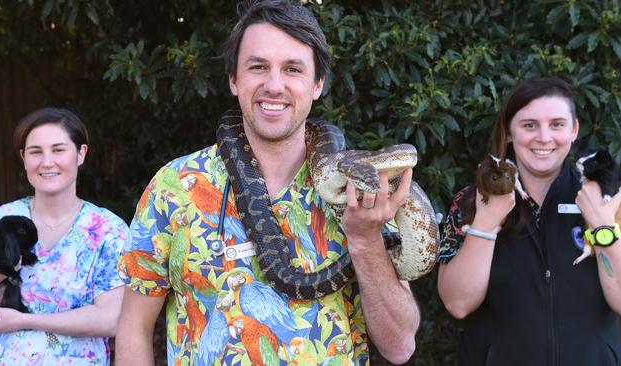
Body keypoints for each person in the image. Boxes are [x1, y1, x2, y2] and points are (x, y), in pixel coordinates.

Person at [115, 0, 420, 365]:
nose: (274, 85)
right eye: (258, 67)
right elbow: (133, 328)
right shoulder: (175, 186)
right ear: (234, 80)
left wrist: (365, 240)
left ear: (317, 84)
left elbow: (400, 347)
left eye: (292, 69)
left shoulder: (360, 187)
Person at [437, 76, 621, 365]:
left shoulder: (612, 200)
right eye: (529, 125)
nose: (544, 138)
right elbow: (457, 304)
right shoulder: (471, 201)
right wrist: (486, 222)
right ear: (509, 132)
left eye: (557, 124)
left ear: (574, 130)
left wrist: (601, 224)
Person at [0, 107, 130, 365]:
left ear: (81, 154)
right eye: (36, 152)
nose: (47, 162)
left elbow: (111, 319)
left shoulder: (107, 230)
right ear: (23, 158)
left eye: (58, 150)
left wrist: (25, 320)